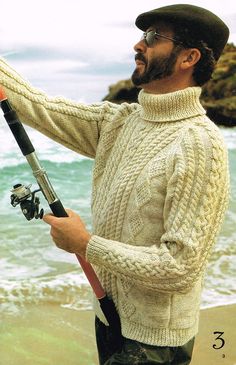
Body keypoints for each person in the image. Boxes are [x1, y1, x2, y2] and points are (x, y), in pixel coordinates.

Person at [0, 4, 230, 364]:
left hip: (155, 342)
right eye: (142, 36)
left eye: (153, 38)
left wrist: (85, 243)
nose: (139, 46)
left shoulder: (201, 144)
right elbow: (37, 105)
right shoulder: (119, 122)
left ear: (189, 57)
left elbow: (180, 267)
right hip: (108, 317)